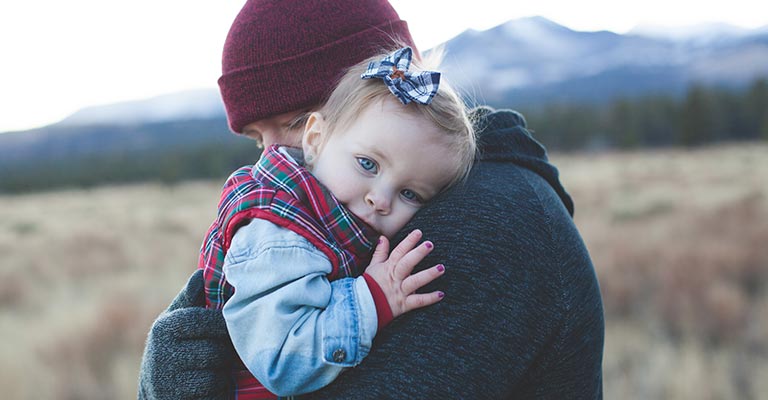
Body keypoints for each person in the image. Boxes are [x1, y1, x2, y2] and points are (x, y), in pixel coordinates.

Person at [138, 0, 605, 399]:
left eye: (299, 121)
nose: (277, 157)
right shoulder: (355, 215)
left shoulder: (486, 225)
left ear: (387, 87)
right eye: (258, 140)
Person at [199, 46, 476, 398]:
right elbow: (282, 361)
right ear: (315, 139)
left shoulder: (334, 219)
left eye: (410, 194)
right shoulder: (278, 232)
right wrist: (372, 298)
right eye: (367, 164)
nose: (381, 199)